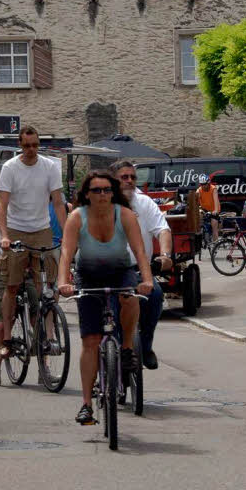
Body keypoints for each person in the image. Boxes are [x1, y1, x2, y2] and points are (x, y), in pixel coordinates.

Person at [57, 171, 154, 425]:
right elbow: (67, 252)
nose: (102, 195)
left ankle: (126, 349)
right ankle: (87, 404)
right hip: (88, 275)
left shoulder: (125, 215)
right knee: (91, 341)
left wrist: (147, 279)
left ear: (114, 192)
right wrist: (63, 282)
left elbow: (139, 250)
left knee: (130, 298)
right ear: (86, 194)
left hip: (119, 272)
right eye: (96, 190)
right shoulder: (77, 217)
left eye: (107, 190)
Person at [0, 126, 67, 358]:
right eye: (26, 145)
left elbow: (57, 202)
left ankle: (49, 335)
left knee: (48, 286)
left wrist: (67, 234)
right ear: (20, 145)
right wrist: (4, 235)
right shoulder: (10, 168)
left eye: (35, 145)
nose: (31, 150)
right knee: (12, 285)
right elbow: (2, 206)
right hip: (16, 229)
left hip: (42, 229)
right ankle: (7, 338)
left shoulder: (49, 167)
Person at [111, 160, 171, 370]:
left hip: (138, 269)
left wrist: (165, 255)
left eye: (132, 177)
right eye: (124, 177)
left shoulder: (144, 203)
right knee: (112, 315)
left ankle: (145, 346)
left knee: (154, 296)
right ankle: (112, 359)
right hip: (109, 271)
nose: (129, 181)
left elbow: (162, 229)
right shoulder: (102, 202)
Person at [0, 197, 39, 386]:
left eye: (2, 211)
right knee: (0, 325)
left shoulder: (21, 231)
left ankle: (44, 368)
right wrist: (8, 264)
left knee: (39, 316)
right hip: (1, 277)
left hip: (24, 275)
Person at [197, 173, 221, 243]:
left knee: (214, 225)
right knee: (199, 215)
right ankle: (200, 233)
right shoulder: (199, 190)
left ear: (208, 183)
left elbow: (216, 200)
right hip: (205, 209)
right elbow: (196, 201)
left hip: (213, 210)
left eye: (205, 184)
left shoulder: (213, 189)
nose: (203, 186)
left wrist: (216, 210)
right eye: (201, 184)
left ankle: (215, 243)